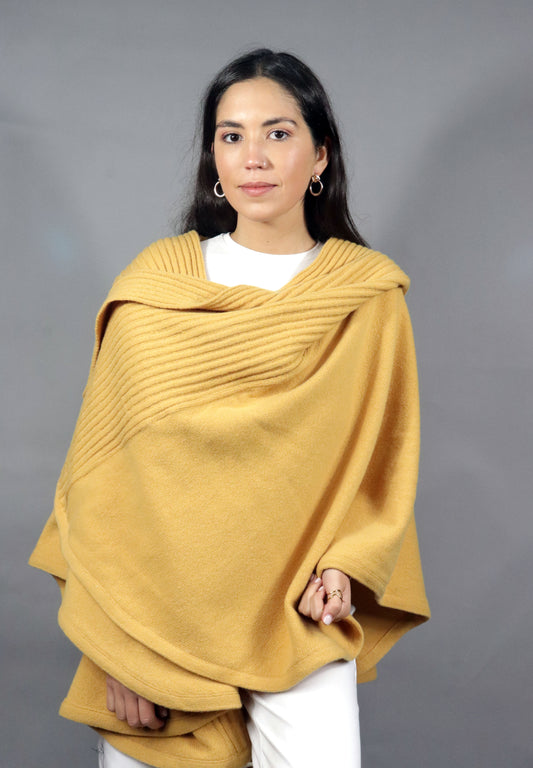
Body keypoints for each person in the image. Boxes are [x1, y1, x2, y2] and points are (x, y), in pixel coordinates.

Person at [29, 48, 430, 768]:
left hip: (297, 616)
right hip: (156, 628)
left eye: (278, 133)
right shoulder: (155, 286)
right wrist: (118, 647)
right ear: (213, 156)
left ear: (319, 157)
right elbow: (104, 483)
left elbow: (383, 458)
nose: (254, 156)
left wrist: (346, 564)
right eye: (231, 134)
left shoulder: (367, 298)